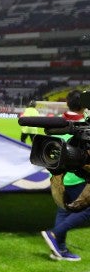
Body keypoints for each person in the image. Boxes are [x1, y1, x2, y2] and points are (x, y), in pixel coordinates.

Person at [41, 90, 90, 261]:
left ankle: (59, 249)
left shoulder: (58, 123)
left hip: (59, 175)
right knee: (86, 210)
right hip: (79, 176)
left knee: (63, 210)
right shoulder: (85, 125)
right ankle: (54, 234)